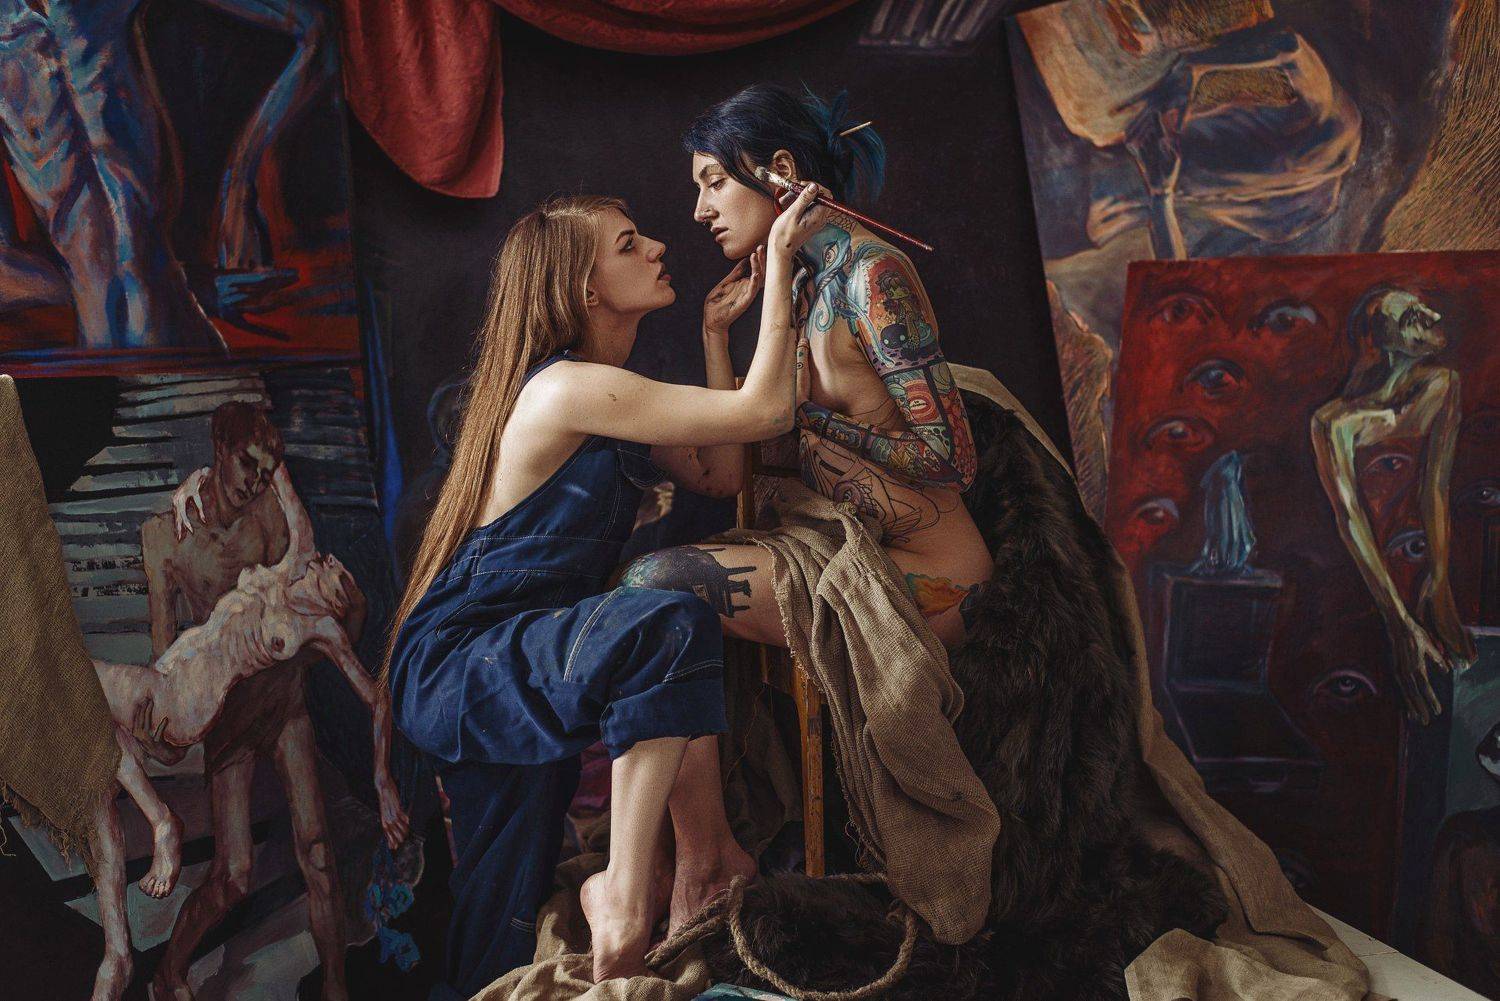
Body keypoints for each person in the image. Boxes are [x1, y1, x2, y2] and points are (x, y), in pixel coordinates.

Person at [383, 186, 827, 992]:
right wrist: (787, 260)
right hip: (466, 661)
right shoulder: (568, 389)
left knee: (502, 917)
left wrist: (713, 336)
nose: (658, 247)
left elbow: (721, 473)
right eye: (629, 244)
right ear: (585, 289)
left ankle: (653, 881)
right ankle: (623, 898)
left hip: (528, 654)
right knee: (665, 623)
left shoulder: (607, 391)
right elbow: (764, 411)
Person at [621, 85, 992, 649]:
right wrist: (714, 336)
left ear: (782, 172)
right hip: (851, 552)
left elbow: (952, 460)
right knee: (655, 585)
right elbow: (728, 474)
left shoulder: (873, 275)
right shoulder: (802, 285)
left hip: (939, 577)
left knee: (656, 581)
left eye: (715, 183)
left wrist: (813, 418)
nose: (700, 211)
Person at [139, 403, 405, 1001]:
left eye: (265, 472)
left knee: (319, 854)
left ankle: (335, 988)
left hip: (284, 705)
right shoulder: (164, 539)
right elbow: (165, 660)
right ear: (218, 448)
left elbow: (313, 603)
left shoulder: (272, 517)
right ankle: (168, 971)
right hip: (227, 720)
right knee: (233, 876)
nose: (254, 481)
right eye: (245, 465)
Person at [1311, 286, 1477, 725]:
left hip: (1422, 560)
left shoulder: (1442, 386)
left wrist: (1439, 581)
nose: (1431, 316)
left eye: (1423, 309)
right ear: (1379, 339)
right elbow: (1350, 522)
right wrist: (1398, 620)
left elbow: (1435, 490)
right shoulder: (1334, 423)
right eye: (1411, 316)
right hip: (1364, 572)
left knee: (1457, 682)